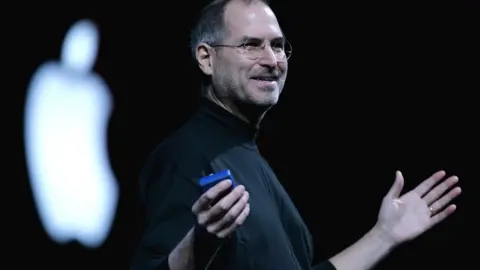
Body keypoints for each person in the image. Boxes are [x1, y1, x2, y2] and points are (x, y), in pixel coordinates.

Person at [130, 0, 462, 269]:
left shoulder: (250, 158)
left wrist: (384, 235)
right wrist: (195, 247)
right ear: (206, 58)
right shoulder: (186, 156)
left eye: (278, 46)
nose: (272, 60)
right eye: (251, 45)